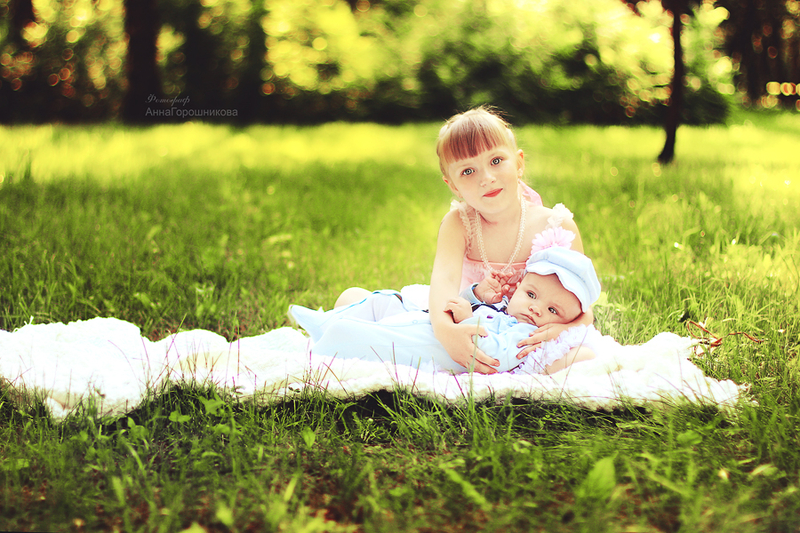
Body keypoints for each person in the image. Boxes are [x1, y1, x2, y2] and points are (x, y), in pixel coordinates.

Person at [334, 106, 594, 373]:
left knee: (579, 356)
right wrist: (447, 333)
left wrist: (563, 331)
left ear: (519, 163)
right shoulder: (459, 223)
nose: (487, 178)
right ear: (453, 186)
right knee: (350, 299)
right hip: (467, 317)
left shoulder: (556, 226)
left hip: (527, 336)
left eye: (496, 161)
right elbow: (444, 284)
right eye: (468, 171)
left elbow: (584, 308)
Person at [289, 245, 603, 375]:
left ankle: (328, 332)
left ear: (564, 321)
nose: (535, 309)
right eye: (531, 294)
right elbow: (464, 305)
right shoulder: (505, 309)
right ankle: (328, 320)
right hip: (427, 319)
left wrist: (469, 318)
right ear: (519, 286)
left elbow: (496, 355)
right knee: (376, 300)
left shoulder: (528, 337)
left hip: (439, 344)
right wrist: (474, 297)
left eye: (552, 310)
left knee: (370, 336)